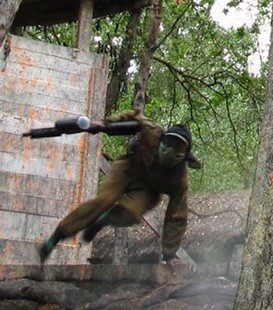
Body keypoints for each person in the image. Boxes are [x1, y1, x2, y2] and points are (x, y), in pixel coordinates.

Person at [38, 110, 199, 268]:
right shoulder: (152, 132)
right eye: (169, 143)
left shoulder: (180, 180)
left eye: (179, 147)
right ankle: (55, 238)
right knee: (103, 201)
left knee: (130, 213)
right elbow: (134, 116)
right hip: (128, 169)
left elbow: (177, 217)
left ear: (185, 154)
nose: (171, 149)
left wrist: (169, 254)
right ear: (163, 138)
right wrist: (107, 123)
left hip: (148, 190)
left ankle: (102, 222)